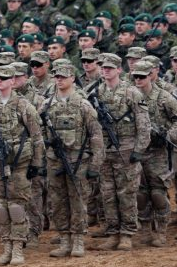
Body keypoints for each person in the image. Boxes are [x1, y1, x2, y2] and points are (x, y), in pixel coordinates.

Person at [0, 65, 44, 265]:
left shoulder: (24, 106)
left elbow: (37, 137)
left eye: (4, 78)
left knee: (16, 206)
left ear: (13, 81)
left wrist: (36, 164)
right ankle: (6, 248)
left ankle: (17, 250)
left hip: (19, 164)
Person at [40, 63, 104, 258]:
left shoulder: (83, 104)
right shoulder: (46, 105)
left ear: (72, 78)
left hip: (78, 161)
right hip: (54, 161)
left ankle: (78, 240)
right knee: (58, 201)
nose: (59, 79)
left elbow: (96, 135)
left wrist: (95, 164)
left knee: (78, 200)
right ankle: (64, 239)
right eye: (57, 76)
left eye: (63, 76)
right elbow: (38, 135)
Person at [91, 53, 151, 251]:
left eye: (109, 67)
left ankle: (127, 234)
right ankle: (113, 233)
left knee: (126, 194)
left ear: (119, 69)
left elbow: (143, 123)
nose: (105, 70)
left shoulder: (131, 92)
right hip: (104, 151)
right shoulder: (96, 93)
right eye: (103, 67)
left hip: (127, 150)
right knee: (107, 194)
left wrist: (139, 149)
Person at [130, 60, 177, 247]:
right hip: (137, 150)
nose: (138, 80)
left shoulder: (164, 97)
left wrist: (168, 135)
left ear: (150, 75)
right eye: (136, 77)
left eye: (142, 76)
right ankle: (145, 229)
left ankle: (161, 231)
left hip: (158, 152)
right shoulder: (130, 96)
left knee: (158, 192)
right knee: (140, 193)